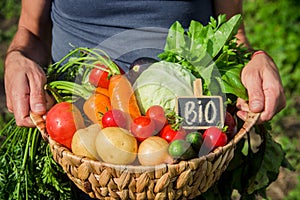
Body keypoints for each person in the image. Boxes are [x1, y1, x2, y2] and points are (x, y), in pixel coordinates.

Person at [4, 0, 285, 129]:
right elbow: (32, 30)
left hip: (186, 138)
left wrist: (254, 60)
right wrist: (17, 56)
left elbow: (232, 33)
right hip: (75, 131)